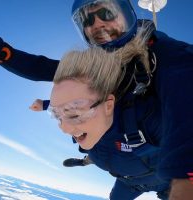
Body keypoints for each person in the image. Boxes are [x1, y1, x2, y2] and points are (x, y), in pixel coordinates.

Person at [0, 0, 193, 198]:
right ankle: (89, 159)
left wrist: (186, 179)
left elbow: (184, 103)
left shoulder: (167, 57)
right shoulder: (93, 68)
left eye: (107, 13)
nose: (97, 24)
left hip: (166, 182)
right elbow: (45, 70)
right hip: (125, 179)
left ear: (128, 14)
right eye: (88, 19)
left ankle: (87, 160)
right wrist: (0, 51)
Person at [48, 37, 172, 199]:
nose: (64, 129)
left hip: (166, 182)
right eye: (56, 115)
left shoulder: (149, 120)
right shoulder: (89, 126)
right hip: (126, 183)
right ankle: (86, 160)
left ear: (108, 105)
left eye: (74, 115)